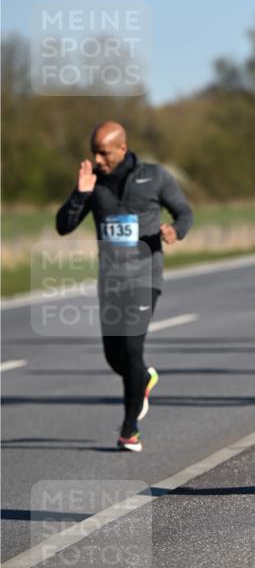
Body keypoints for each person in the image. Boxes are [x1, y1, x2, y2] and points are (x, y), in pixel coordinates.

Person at [56, 121, 193, 452]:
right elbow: (64, 226)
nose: (97, 159)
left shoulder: (154, 176)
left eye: (103, 153)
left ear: (122, 148)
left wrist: (176, 231)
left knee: (132, 349)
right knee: (114, 355)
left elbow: (184, 212)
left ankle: (129, 428)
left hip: (145, 277)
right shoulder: (94, 182)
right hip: (111, 280)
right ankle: (143, 379)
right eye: (94, 152)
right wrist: (80, 194)